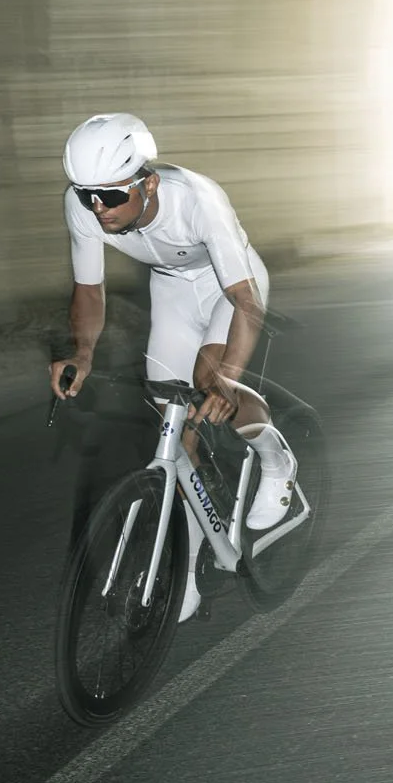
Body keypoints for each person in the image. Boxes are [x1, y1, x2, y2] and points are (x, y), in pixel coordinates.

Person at [47, 112, 297, 532]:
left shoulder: (197, 199)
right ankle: (197, 553)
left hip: (229, 284)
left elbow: (245, 299)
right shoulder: (83, 205)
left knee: (208, 380)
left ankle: (276, 459)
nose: (97, 208)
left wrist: (226, 379)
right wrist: (83, 353)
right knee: (173, 426)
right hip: (171, 291)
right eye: (87, 195)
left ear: (148, 184)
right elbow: (89, 289)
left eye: (110, 196)